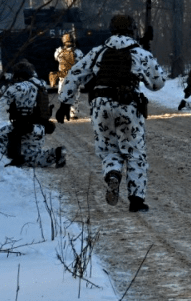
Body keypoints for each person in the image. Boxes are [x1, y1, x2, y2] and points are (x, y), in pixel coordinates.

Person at [56, 14, 166, 213]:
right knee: (134, 152)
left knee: (108, 149)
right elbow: (157, 83)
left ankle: (113, 174)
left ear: (111, 30)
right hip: (128, 106)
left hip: (101, 105)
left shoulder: (98, 52)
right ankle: (136, 200)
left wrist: (65, 102)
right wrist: (147, 55)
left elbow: (74, 74)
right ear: (132, 30)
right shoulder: (139, 53)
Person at [0, 59, 65, 168]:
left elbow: (6, 94)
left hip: (27, 127)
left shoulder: (25, 86)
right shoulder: (39, 84)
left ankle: (14, 158)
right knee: (29, 155)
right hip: (38, 128)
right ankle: (56, 154)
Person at [51, 32, 83, 120]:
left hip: (63, 76)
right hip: (75, 77)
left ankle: (65, 111)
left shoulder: (59, 51)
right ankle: (73, 113)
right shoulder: (77, 52)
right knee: (75, 95)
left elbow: (56, 58)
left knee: (62, 93)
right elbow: (81, 60)